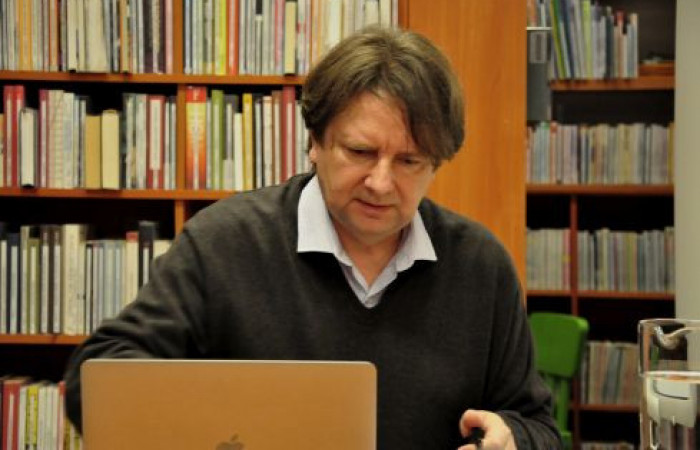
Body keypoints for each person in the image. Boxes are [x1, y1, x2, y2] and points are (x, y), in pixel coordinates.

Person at [64, 26, 561, 449]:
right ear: (314, 142)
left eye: (410, 161)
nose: (381, 183)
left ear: (436, 164)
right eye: (360, 152)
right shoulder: (224, 243)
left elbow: (538, 425)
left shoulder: (481, 265)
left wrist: (512, 438)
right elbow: (98, 381)